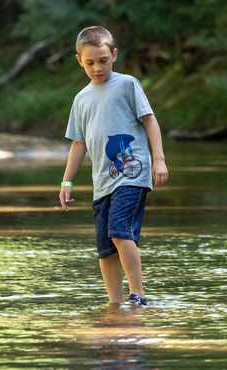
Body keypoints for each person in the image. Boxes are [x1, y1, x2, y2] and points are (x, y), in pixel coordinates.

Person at [59, 26, 168, 306]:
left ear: (114, 55)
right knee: (106, 248)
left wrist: (159, 159)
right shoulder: (80, 99)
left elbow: (150, 120)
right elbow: (78, 144)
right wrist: (67, 181)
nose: (97, 68)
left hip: (133, 174)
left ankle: (138, 296)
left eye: (103, 61)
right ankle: (115, 304)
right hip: (102, 183)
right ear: (79, 60)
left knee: (120, 230)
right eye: (91, 62)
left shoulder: (127, 84)